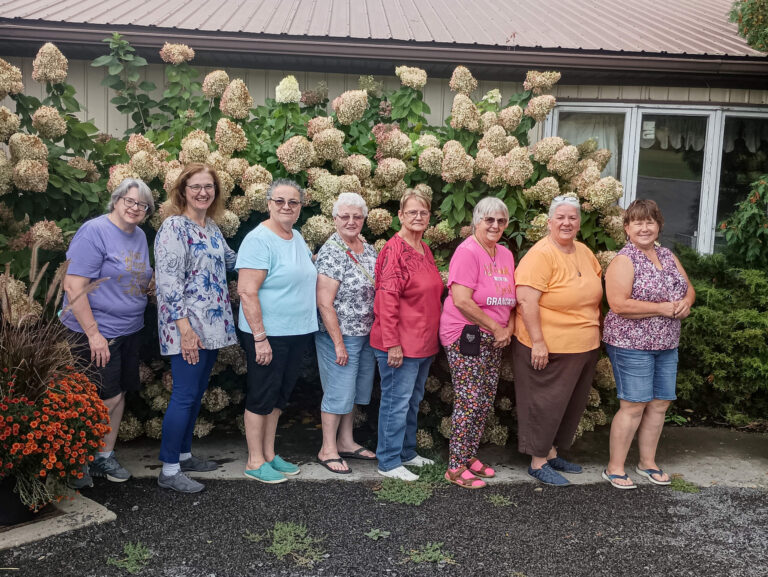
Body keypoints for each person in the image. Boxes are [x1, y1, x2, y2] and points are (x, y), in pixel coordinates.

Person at [62, 178, 154, 487]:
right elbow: (73, 286)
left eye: (142, 205)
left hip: (129, 330)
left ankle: (104, 456)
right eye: (129, 201)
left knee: (120, 393)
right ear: (115, 201)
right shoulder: (94, 232)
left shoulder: (139, 235)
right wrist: (94, 334)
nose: (135, 208)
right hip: (95, 332)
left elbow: (134, 278)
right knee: (101, 397)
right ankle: (77, 461)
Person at [154, 163, 237, 493]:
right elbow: (168, 284)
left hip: (212, 327)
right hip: (186, 328)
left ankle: (184, 455)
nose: (203, 192)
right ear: (182, 191)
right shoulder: (174, 228)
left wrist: (282, 255)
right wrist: (186, 331)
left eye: (209, 187)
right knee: (185, 396)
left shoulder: (212, 228)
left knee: (195, 393)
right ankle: (169, 470)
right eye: (196, 187)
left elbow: (233, 262)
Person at [602, 199, 695, 489]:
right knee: (633, 405)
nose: (644, 228)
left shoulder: (667, 255)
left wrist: (685, 304)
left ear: (659, 226)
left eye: (650, 222)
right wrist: (663, 308)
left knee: (659, 403)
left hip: (667, 342)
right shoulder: (623, 260)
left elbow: (688, 290)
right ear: (627, 228)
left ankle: (647, 462)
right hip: (631, 344)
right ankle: (614, 468)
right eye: (638, 222)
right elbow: (618, 304)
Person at [513, 193, 603, 487]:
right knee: (545, 404)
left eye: (572, 218)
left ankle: (551, 453)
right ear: (549, 222)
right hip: (548, 347)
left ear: (579, 222)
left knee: (568, 405)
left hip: (583, 346)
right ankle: (537, 462)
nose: (566, 223)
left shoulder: (585, 252)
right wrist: (538, 342)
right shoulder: (540, 255)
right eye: (560, 218)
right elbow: (526, 301)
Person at [236, 179, 318, 484]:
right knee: (261, 395)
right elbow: (247, 292)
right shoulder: (258, 240)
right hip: (267, 335)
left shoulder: (296, 236)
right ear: (269, 204)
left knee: (279, 396)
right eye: (280, 201)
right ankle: (254, 460)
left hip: (296, 333)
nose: (286, 207)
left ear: (300, 207)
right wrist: (260, 338)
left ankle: (269, 454)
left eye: (293, 202)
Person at [439, 197, 516, 489]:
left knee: (484, 400)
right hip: (466, 335)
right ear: (476, 222)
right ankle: (455, 466)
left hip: (493, 335)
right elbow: (461, 300)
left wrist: (506, 328)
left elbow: (511, 297)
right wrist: (497, 328)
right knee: (469, 400)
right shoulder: (467, 252)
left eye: (501, 220)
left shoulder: (505, 255)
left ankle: (469, 455)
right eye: (489, 220)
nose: (495, 225)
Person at [370, 188, 444, 482]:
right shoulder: (394, 250)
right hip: (399, 343)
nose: (418, 217)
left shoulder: (424, 249)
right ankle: (387, 461)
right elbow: (386, 299)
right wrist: (393, 344)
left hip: (424, 342)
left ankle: (406, 453)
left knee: (412, 401)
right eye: (411, 212)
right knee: (395, 402)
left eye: (423, 212)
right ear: (400, 215)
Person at [315, 192, 377, 474]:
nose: (351, 221)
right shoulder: (331, 251)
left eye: (357, 216)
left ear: (363, 219)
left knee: (353, 391)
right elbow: (324, 302)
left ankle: (346, 441)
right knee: (338, 390)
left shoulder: (367, 247)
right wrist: (339, 344)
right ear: (335, 219)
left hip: (365, 333)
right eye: (345, 216)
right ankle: (327, 448)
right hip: (338, 334)